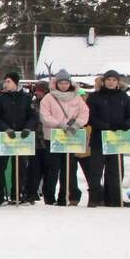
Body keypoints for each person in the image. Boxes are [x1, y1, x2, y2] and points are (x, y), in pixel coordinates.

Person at [84, 68, 130, 207]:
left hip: (117, 139)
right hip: (99, 138)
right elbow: (90, 118)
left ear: (118, 82)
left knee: (115, 171)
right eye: (108, 79)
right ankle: (95, 198)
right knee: (96, 171)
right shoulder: (95, 96)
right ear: (103, 81)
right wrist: (105, 126)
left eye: (114, 80)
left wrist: (126, 124)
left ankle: (114, 199)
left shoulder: (123, 96)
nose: (111, 82)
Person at [38, 70, 89, 206]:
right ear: (56, 83)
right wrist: (59, 124)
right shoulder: (48, 98)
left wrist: (76, 124)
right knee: (52, 168)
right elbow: (44, 115)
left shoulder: (76, 97)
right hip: (53, 137)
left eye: (66, 82)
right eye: (61, 82)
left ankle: (64, 196)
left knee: (69, 168)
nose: (64, 85)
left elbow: (84, 113)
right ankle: (49, 196)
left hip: (71, 137)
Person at [0, 73, 36, 205]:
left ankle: (17, 194)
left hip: (22, 137)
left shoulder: (26, 98)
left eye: (9, 81)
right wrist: (5, 128)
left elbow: (32, 116)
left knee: (20, 166)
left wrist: (28, 128)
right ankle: (0, 195)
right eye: (5, 81)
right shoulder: (0, 98)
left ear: (16, 83)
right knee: (0, 166)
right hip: (5, 136)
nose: (6, 84)